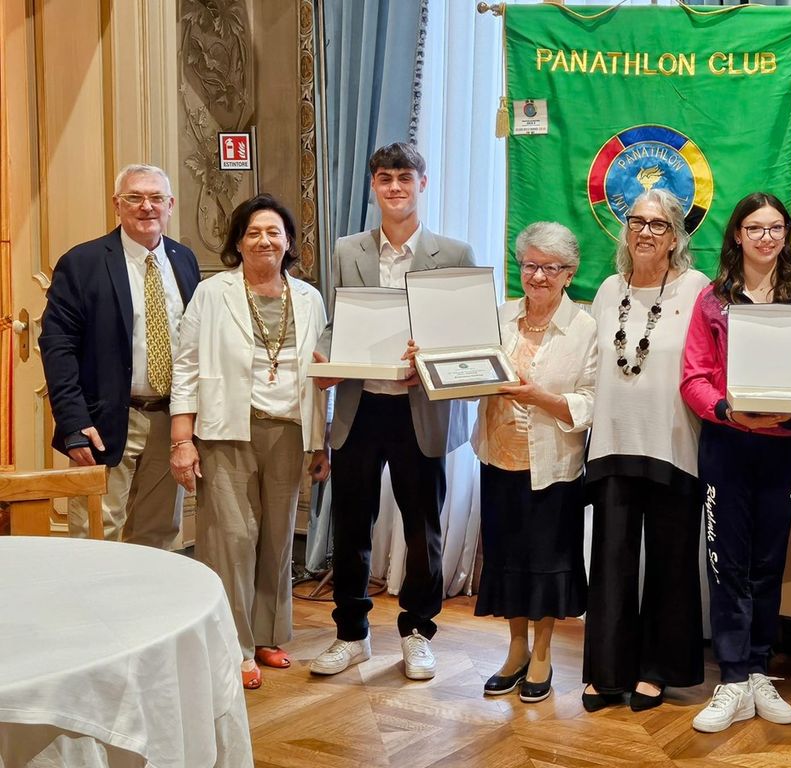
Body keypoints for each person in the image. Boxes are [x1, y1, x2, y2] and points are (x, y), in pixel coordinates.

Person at [310, 142, 474, 681]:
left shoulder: (453, 253)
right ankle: (351, 635)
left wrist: (429, 359)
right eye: (385, 178)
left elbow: (464, 334)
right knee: (350, 525)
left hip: (418, 411)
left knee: (423, 531)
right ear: (373, 186)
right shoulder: (347, 250)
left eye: (405, 177)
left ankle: (418, 632)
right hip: (359, 407)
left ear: (422, 183)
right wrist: (326, 358)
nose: (395, 187)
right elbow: (336, 323)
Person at [681, 193, 791, 732]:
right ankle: (733, 678)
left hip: (783, 446)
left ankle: (760, 669)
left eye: (775, 228)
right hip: (726, 445)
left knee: (768, 563)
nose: (766, 238)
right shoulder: (712, 300)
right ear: (737, 236)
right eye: (755, 228)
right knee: (727, 564)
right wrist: (727, 411)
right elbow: (694, 378)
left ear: (786, 235)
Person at [169, 194, 330, 690]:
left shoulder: (309, 298)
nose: (264, 240)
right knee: (232, 540)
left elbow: (322, 375)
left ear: (288, 241)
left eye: (274, 232)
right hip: (226, 430)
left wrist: (321, 441)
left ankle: (267, 635)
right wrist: (182, 438)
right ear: (238, 242)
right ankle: (233, 645)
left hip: (290, 430)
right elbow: (186, 364)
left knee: (278, 538)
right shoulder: (212, 293)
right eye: (253, 232)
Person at [582, 189, 709, 712]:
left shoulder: (697, 288)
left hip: (673, 442)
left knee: (670, 562)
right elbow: (593, 365)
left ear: (676, 236)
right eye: (637, 221)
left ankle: (657, 670)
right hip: (613, 443)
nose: (646, 232)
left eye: (658, 225)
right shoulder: (609, 289)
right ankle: (607, 672)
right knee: (610, 560)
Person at [40, 163, 200, 547]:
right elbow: (58, 347)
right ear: (117, 204)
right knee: (96, 536)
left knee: (158, 535)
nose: (146, 206)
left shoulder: (184, 260)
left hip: (170, 421)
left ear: (170, 205)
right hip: (104, 421)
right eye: (134, 197)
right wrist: (74, 423)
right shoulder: (83, 263)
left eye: (156, 198)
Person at [471, 222, 596, 703]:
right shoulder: (500, 317)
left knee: (546, 565)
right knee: (507, 561)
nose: (538, 276)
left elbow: (591, 402)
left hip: (553, 469)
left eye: (550, 267)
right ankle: (515, 650)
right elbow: (470, 371)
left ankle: (542, 653)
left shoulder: (585, 329)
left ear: (569, 273)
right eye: (530, 265)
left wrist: (540, 397)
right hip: (497, 458)